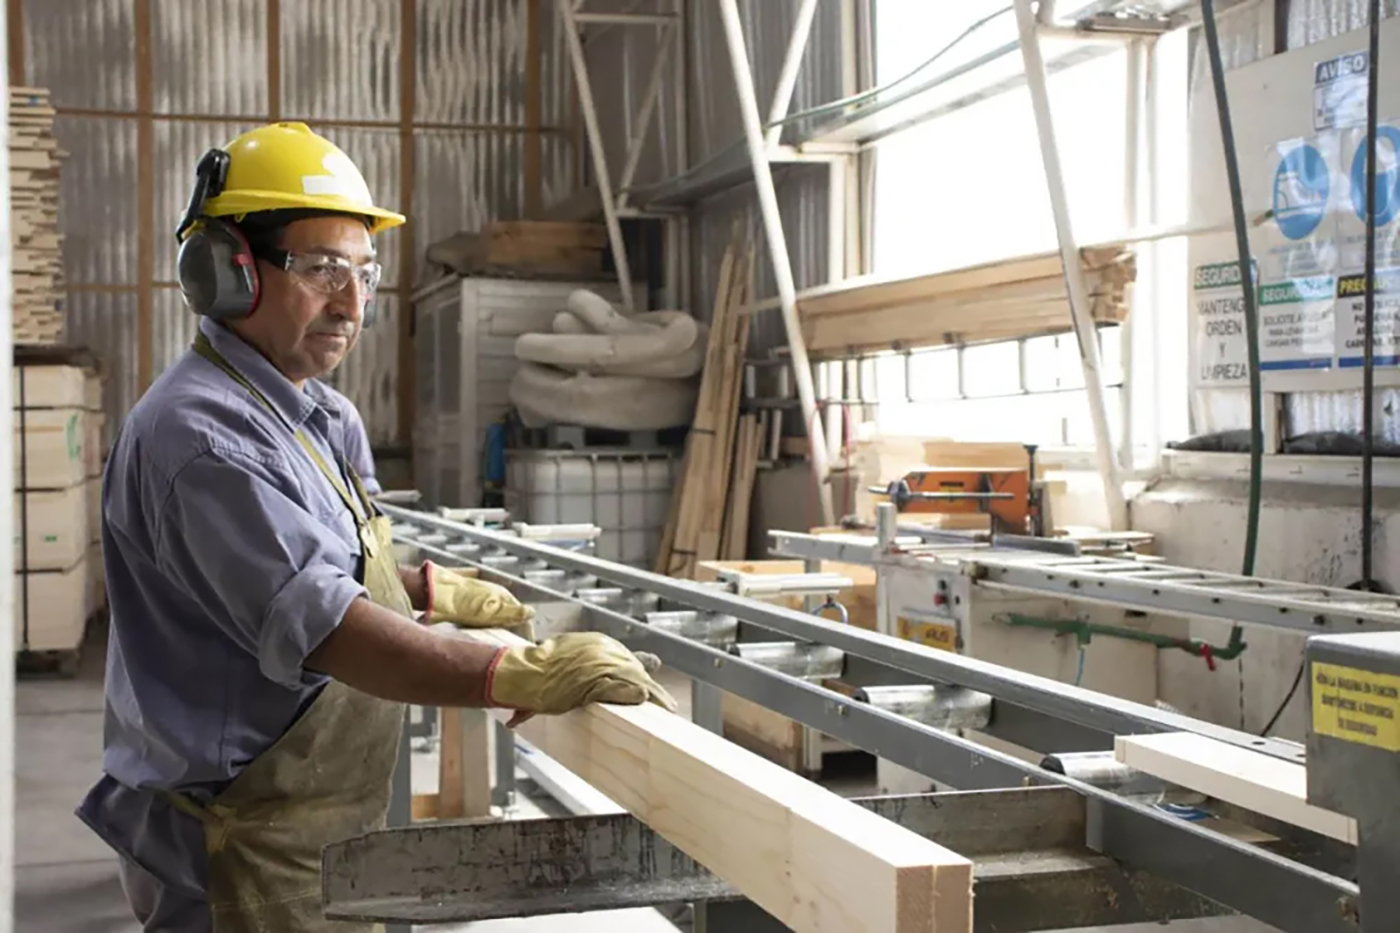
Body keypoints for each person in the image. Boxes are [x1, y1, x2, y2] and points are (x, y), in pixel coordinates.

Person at [75, 122, 676, 933]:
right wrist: (514, 671)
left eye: (365, 272)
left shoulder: (316, 413)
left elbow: (316, 561)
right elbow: (333, 631)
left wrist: (427, 586)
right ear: (227, 272)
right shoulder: (202, 438)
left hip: (309, 818)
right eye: (322, 269)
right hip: (235, 839)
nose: (353, 303)